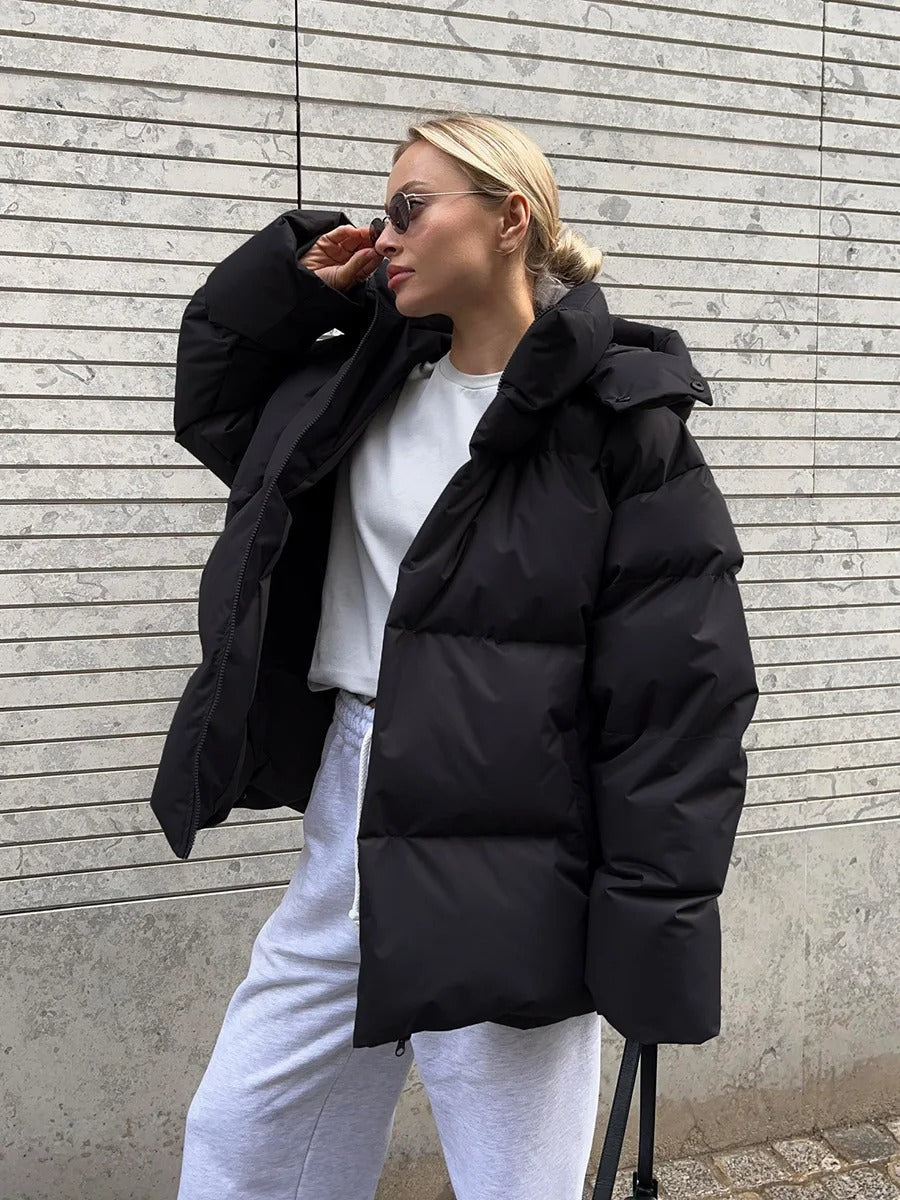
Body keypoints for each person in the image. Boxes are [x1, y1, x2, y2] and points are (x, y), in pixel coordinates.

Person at [149, 110, 759, 1200]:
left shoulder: (621, 424)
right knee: (246, 1139)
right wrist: (296, 284)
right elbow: (214, 402)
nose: (384, 235)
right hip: (351, 808)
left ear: (509, 219)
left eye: (408, 208)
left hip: (515, 844)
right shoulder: (358, 389)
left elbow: (679, 699)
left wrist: (651, 932)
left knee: (511, 1177)